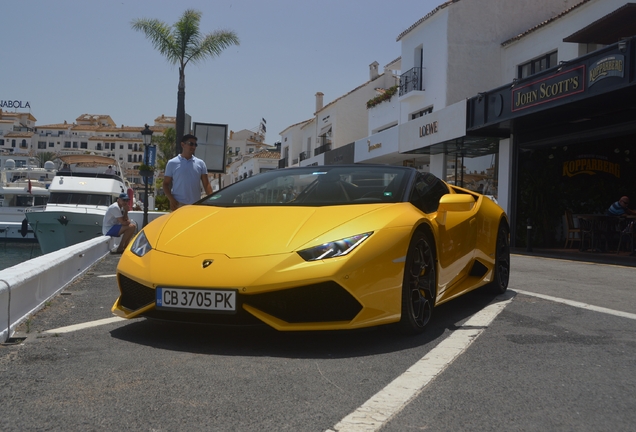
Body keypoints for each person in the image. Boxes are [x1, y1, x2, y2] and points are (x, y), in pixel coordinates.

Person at [163, 134, 213, 211]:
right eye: (191, 144)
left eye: (195, 144)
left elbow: (206, 184)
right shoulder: (172, 163)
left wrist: (212, 201)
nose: (193, 147)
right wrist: (171, 199)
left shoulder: (200, 163)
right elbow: (165, 184)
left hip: (195, 205)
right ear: (183, 144)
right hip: (178, 204)